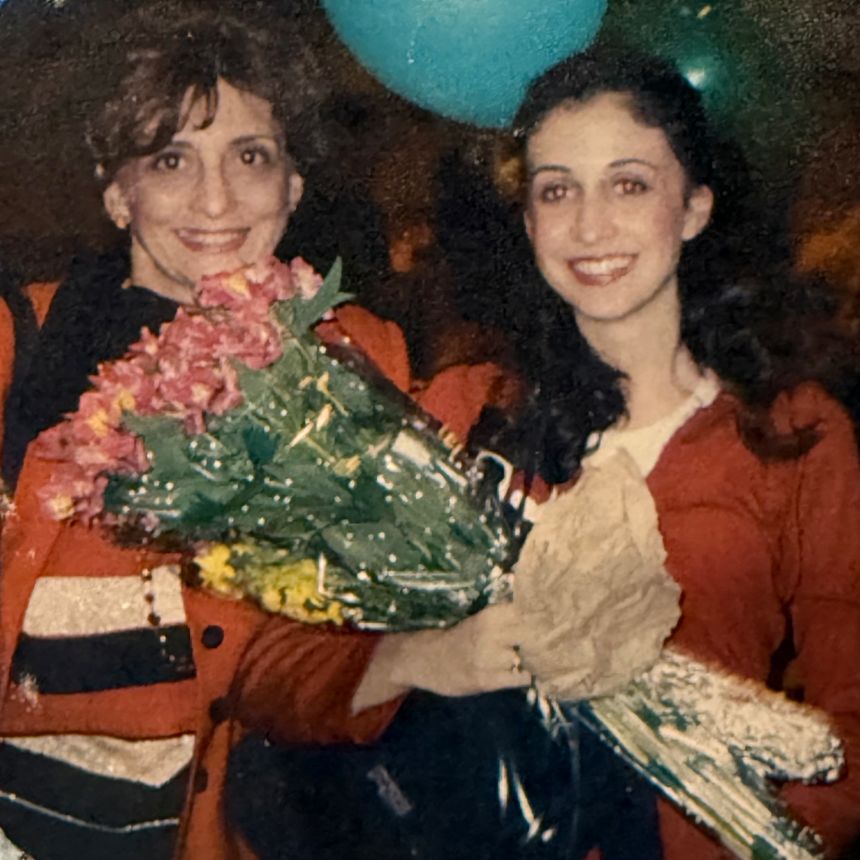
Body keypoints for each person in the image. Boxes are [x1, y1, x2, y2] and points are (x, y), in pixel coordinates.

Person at [0, 5, 533, 858]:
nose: (216, 200)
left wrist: (407, 661)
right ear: (115, 189)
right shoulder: (17, 347)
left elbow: (292, 665)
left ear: (293, 184)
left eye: (251, 157)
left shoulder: (356, 367)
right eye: (171, 159)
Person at [482, 48, 860, 860]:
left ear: (693, 206)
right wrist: (422, 659)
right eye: (557, 190)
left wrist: (771, 841)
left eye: (629, 184)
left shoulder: (792, 433)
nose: (589, 226)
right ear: (528, 221)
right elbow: (315, 669)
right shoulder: (475, 412)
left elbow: (853, 712)